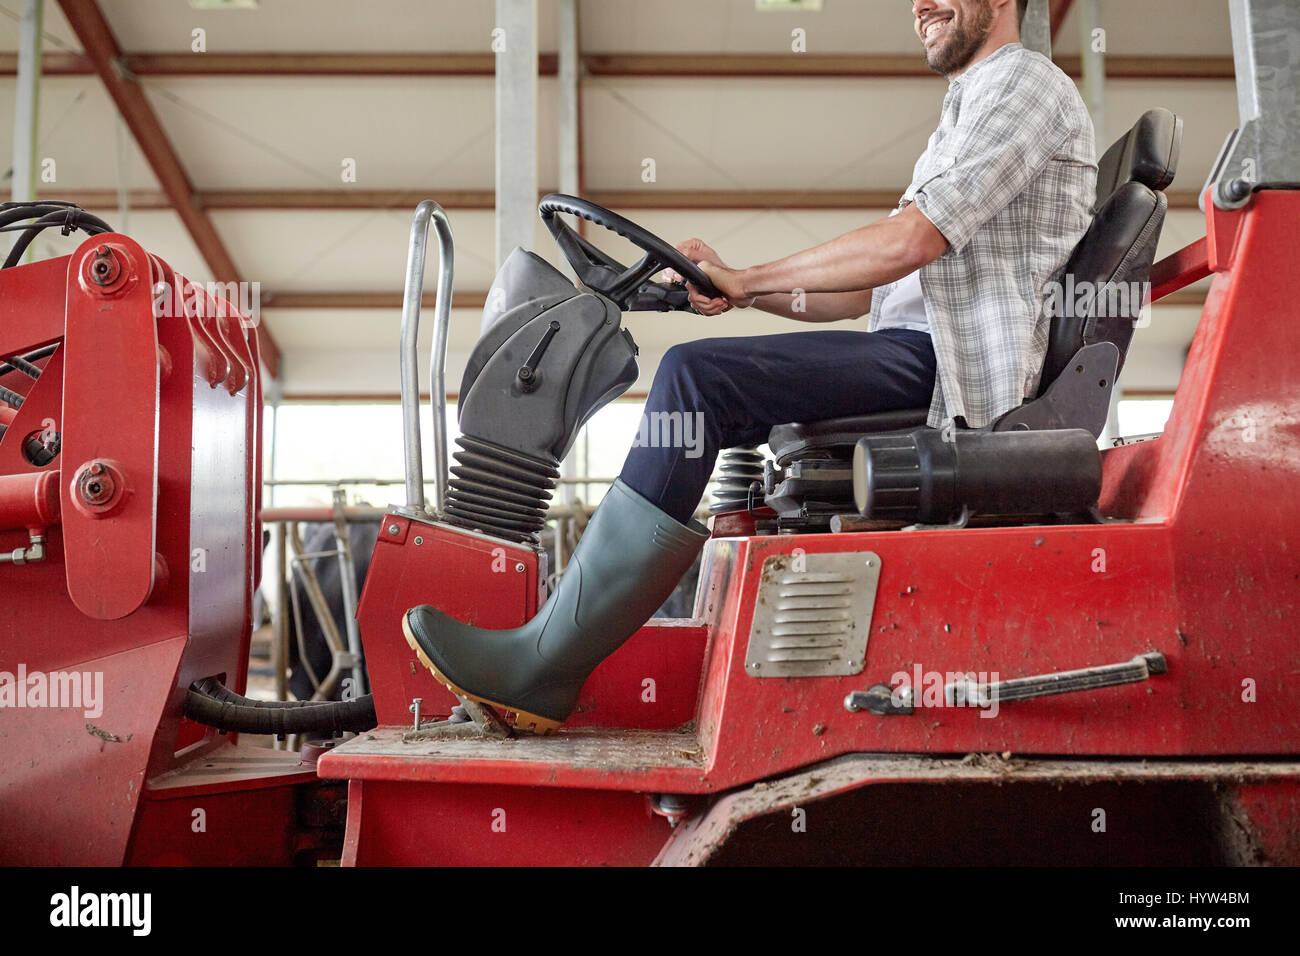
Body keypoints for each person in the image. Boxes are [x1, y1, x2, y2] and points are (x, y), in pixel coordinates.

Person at [403, 0, 1098, 734]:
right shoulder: (969, 107)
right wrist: (739, 286)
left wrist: (751, 277)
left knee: (695, 383)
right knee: (703, 374)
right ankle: (550, 647)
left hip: (956, 373)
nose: (919, 4)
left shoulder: (1025, 85)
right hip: (916, 351)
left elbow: (911, 240)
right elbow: (865, 291)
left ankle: (545, 664)